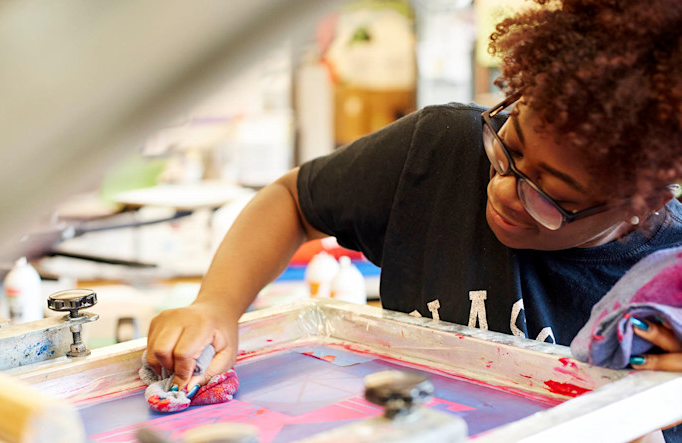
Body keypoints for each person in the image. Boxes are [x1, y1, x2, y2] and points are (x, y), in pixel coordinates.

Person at [147, 0, 682, 439]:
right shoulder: (441, 152)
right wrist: (217, 303)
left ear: (641, 206)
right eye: (508, 148)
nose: (502, 189)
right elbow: (292, 200)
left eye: (550, 195)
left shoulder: (670, 282)